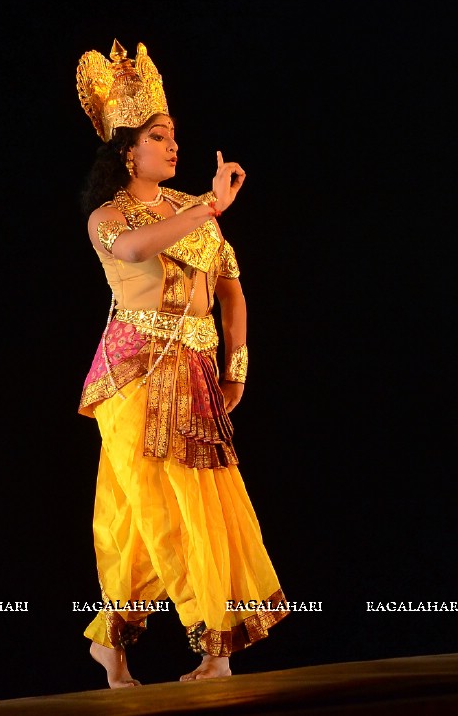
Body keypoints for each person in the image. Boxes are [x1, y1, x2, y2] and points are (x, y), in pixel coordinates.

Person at [74, 40, 287, 685]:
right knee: (153, 509)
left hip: (194, 374)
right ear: (125, 150)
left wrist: (237, 368)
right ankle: (206, 647)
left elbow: (230, 291)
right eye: (159, 137)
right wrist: (207, 207)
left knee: (201, 502)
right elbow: (137, 251)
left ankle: (128, 645)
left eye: (173, 136)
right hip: (134, 377)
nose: (173, 146)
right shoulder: (109, 216)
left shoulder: (191, 211)